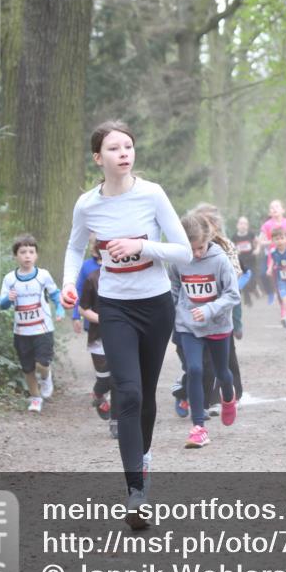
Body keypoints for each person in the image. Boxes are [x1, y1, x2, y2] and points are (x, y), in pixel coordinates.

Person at [61, 120, 192, 530]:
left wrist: (141, 246)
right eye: (115, 148)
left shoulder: (152, 195)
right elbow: (73, 246)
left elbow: (184, 252)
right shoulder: (87, 204)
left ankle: (144, 459)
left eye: (129, 146)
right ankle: (136, 491)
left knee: (147, 394)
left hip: (154, 306)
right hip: (114, 307)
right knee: (128, 392)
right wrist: (68, 283)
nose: (124, 153)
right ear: (98, 158)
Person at [169, 213, 240, 449]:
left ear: (208, 239)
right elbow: (174, 287)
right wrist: (173, 313)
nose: (197, 254)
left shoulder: (220, 261)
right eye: (192, 249)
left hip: (218, 324)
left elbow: (233, 294)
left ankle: (228, 399)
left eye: (200, 248)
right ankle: (198, 427)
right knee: (194, 369)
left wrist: (209, 310)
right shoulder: (178, 260)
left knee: (222, 373)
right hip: (188, 325)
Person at [0, 234, 64, 413]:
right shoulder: (9, 279)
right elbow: (1, 304)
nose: (27, 255)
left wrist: (59, 309)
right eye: (22, 252)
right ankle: (35, 398)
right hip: (21, 331)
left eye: (31, 252)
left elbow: (55, 294)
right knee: (27, 368)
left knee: (41, 363)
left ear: (36, 255)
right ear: (15, 256)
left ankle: (46, 375)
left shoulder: (43, 275)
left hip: (43, 328)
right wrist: (7, 299)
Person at [77, 248, 118, 439]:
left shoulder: (127, 279)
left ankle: (116, 422)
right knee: (104, 378)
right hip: (99, 337)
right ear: (99, 256)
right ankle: (98, 393)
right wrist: (102, 319)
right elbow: (83, 308)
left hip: (121, 336)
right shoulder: (92, 278)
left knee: (118, 379)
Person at [233, 216, 258, 307]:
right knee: (244, 281)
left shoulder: (251, 234)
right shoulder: (235, 236)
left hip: (251, 260)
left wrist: (257, 249)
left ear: (247, 226)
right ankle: (248, 299)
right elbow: (233, 248)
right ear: (237, 225)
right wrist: (236, 251)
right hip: (241, 262)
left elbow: (257, 242)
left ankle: (255, 288)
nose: (243, 225)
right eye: (241, 223)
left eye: (245, 224)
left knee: (252, 279)